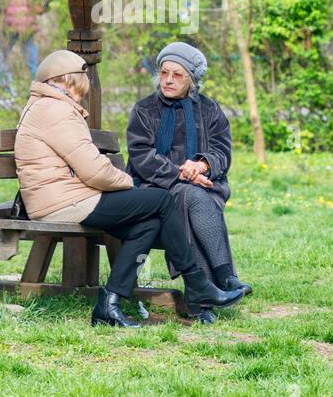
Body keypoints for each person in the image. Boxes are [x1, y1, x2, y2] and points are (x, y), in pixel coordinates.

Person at [14, 49, 245, 327]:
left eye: (177, 74)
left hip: (65, 197)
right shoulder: (56, 111)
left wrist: (201, 166)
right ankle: (198, 283)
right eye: (81, 84)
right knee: (162, 202)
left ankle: (109, 304)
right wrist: (129, 182)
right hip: (64, 202)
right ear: (68, 81)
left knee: (148, 224)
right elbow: (95, 170)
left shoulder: (49, 107)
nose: (83, 91)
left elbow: (87, 163)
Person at [127, 42, 251, 324]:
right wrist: (180, 173)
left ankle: (202, 299)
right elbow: (141, 156)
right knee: (188, 196)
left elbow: (222, 151)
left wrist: (202, 164)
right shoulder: (145, 109)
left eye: (177, 75)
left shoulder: (209, 110)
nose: (168, 80)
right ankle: (223, 278)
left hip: (203, 185)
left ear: (191, 79)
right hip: (153, 188)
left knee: (190, 198)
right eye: (164, 72)